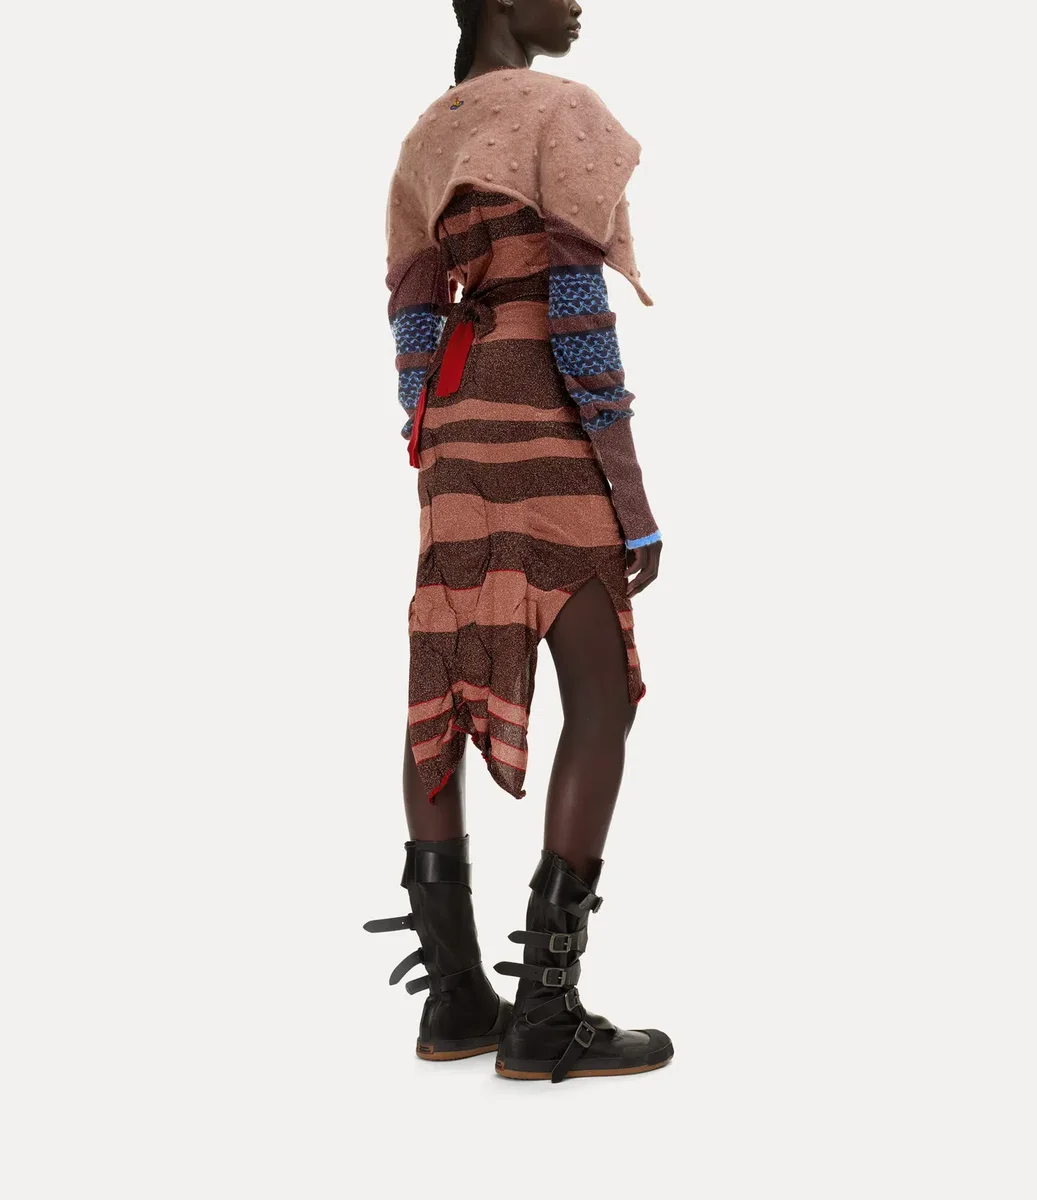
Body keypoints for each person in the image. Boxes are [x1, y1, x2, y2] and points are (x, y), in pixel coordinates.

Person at [363, 0, 673, 1082]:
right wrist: (628, 492)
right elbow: (577, 307)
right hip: (545, 413)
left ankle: (456, 998)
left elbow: (412, 318)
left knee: (443, 684)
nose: (577, 3)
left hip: (454, 425)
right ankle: (544, 1010)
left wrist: (442, 438)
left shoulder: (428, 131)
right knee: (600, 696)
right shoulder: (559, 109)